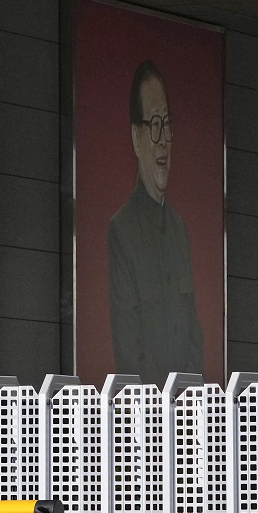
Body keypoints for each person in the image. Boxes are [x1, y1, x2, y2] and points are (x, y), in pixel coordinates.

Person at [107, 60, 203, 380]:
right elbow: (128, 350)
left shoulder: (179, 230)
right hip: (146, 407)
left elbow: (193, 336)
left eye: (167, 124)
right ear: (136, 138)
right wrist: (163, 403)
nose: (164, 140)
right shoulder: (121, 231)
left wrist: (192, 398)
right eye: (155, 125)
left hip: (187, 407)